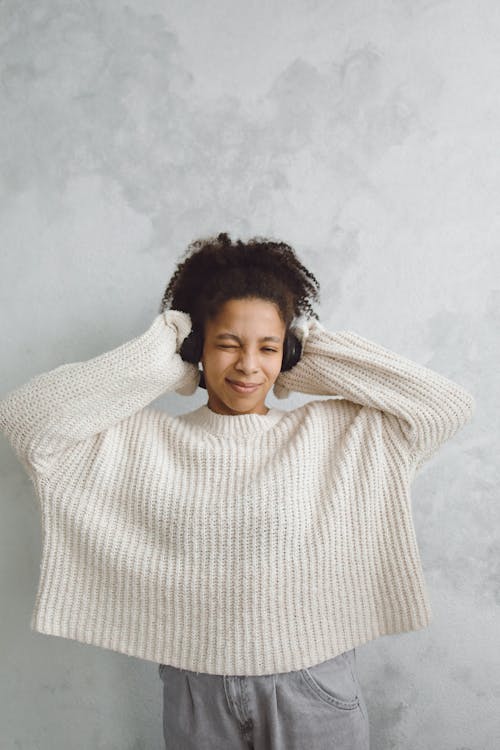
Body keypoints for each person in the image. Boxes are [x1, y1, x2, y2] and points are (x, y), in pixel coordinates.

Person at [0, 232, 475, 749]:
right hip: (195, 689)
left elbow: (443, 407)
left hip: (312, 687)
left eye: (268, 348)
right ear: (197, 347)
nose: (249, 365)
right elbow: (29, 423)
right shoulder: (145, 444)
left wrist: (311, 356)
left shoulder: (337, 437)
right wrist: (161, 359)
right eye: (227, 343)